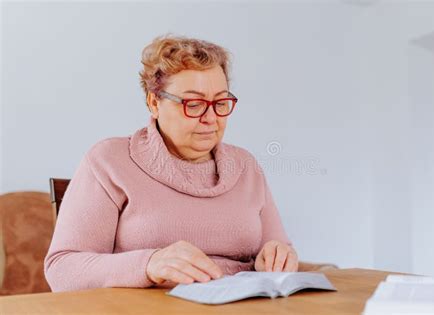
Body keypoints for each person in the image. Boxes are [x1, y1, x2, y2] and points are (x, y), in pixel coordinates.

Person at [44, 35, 298, 292]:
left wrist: (278, 255)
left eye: (220, 102)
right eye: (194, 104)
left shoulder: (245, 166)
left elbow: (278, 248)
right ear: (154, 102)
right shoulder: (109, 161)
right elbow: (63, 270)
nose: (211, 118)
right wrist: (149, 264)